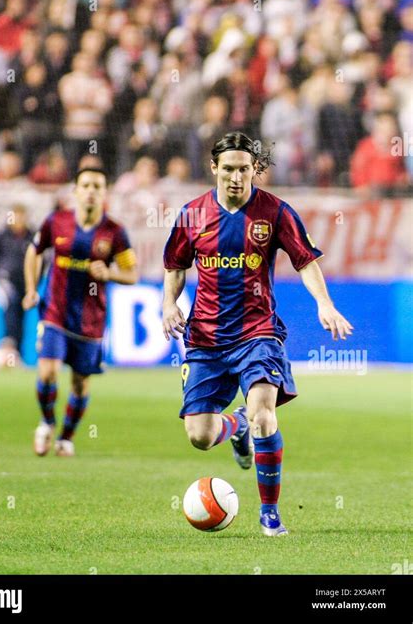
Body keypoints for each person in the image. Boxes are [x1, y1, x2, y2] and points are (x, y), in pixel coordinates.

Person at [162, 132, 353, 537]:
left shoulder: (276, 212)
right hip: (206, 338)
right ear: (214, 167)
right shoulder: (191, 215)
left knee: (265, 412)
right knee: (200, 436)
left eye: (244, 169)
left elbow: (305, 262)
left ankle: (270, 514)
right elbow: (175, 265)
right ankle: (238, 427)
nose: (236, 177)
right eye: (228, 169)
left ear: (254, 170)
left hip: (257, 331)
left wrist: (324, 303)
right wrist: (168, 304)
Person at [22, 167, 138, 457]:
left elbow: (132, 273)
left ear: (104, 193)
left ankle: (66, 437)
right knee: (47, 371)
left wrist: (110, 273)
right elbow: (34, 251)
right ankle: (47, 422)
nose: (90, 191)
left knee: (79, 383)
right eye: (85, 185)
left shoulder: (115, 232)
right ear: (75, 191)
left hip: (91, 321)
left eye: (97, 186)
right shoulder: (56, 222)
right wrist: (31, 288)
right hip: (55, 312)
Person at [0, 204, 34, 365]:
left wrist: (34, 279)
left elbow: (40, 259)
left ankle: (16, 355)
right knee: (10, 309)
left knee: (20, 317)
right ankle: (8, 350)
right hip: (5, 281)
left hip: (24, 283)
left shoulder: (31, 236)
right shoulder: (1, 236)